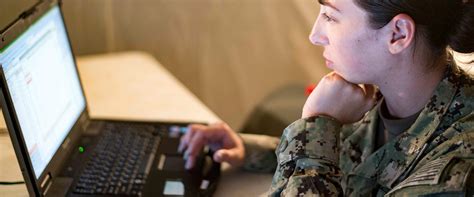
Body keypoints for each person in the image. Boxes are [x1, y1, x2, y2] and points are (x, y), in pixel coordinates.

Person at [179, 0, 474, 196]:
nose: (315, 34)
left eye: (331, 16)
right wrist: (249, 150)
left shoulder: (458, 173)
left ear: (397, 34)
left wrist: (319, 123)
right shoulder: (388, 96)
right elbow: (353, 160)